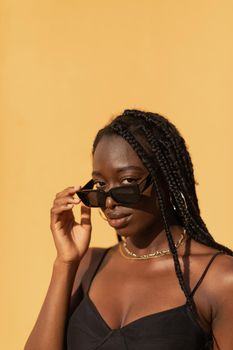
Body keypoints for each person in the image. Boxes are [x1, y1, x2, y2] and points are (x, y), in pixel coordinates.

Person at [24, 109, 233, 350]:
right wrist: (64, 263)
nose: (110, 201)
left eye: (128, 182)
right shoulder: (87, 265)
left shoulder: (219, 279)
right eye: (100, 185)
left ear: (165, 180)